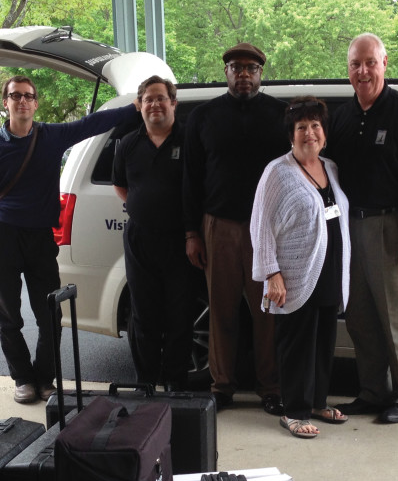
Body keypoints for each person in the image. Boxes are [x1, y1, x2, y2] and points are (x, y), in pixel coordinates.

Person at [0, 75, 137, 404]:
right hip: (2, 238)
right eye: (15, 96)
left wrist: (136, 107)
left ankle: (45, 378)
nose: (22, 101)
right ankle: (22, 379)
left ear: (36, 102)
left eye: (28, 96)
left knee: (50, 315)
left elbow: (93, 123)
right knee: (10, 316)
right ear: (5, 102)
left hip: (41, 239)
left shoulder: (50, 136)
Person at [325, 34, 398, 424]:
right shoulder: (339, 117)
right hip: (348, 228)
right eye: (355, 64)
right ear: (348, 69)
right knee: (360, 316)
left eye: (370, 63)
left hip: (395, 228)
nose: (363, 71)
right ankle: (374, 391)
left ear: (384, 63)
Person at [182, 42, 289, 413]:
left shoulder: (281, 115)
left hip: (267, 230)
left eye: (251, 68)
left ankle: (271, 388)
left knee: (267, 313)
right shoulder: (203, 117)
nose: (244, 74)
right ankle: (222, 386)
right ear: (225, 72)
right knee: (221, 310)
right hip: (218, 226)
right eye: (236, 67)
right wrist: (192, 233)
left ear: (262, 72)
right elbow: (190, 178)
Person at [251, 97, 351, 439]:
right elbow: (261, 225)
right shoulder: (277, 172)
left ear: (324, 134)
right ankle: (293, 410)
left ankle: (318, 401)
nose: (309, 133)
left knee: (323, 340)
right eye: (301, 127)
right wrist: (271, 273)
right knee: (297, 343)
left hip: (328, 269)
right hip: (294, 274)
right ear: (291, 135)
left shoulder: (331, 168)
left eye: (315, 126)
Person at [112, 76, 195, 389]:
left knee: (180, 315)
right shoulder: (128, 144)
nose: (155, 104)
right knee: (143, 315)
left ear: (173, 103)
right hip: (140, 240)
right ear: (139, 105)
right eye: (148, 99)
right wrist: (143, 208)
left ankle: (175, 382)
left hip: (181, 240)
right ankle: (145, 383)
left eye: (161, 98)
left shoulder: (190, 140)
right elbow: (121, 186)